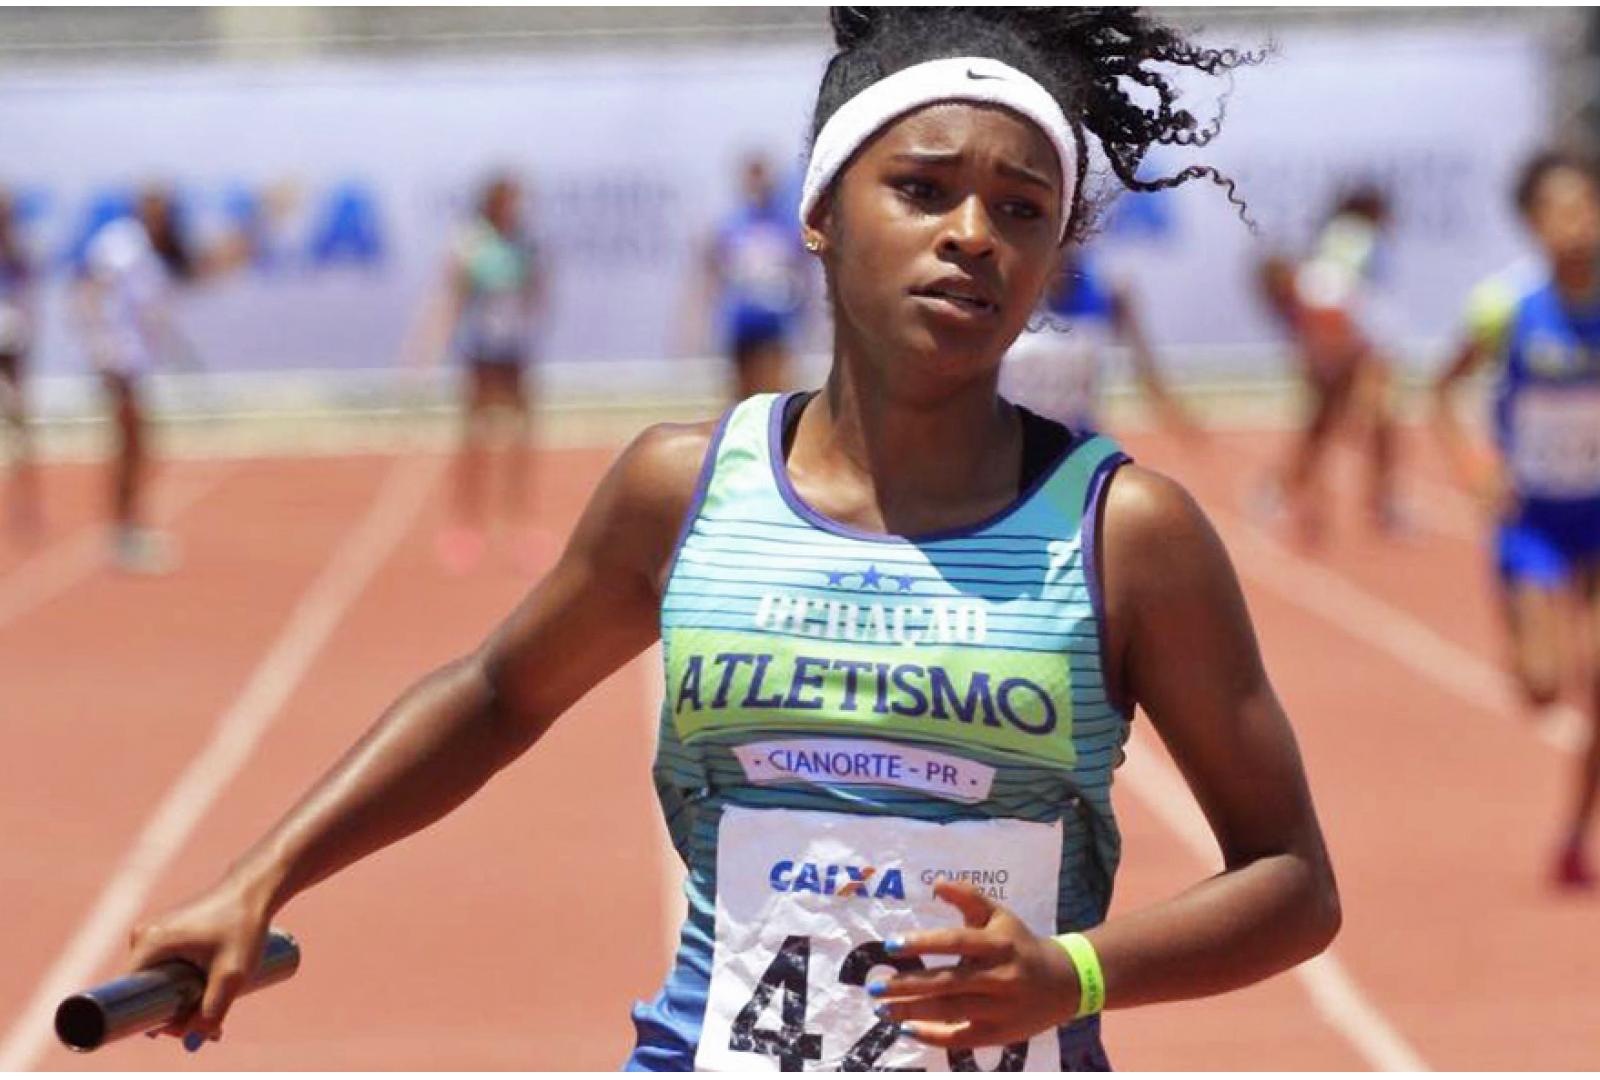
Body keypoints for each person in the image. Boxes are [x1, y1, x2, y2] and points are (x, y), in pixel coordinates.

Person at [127, 9, 1339, 1070]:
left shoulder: (1126, 534)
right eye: (921, 190)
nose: (973, 233)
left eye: (1021, 210)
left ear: (1047, 262)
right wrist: (260, 877)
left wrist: (1069, 975)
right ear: (819, 214)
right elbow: (496, 695)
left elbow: (1291, 881)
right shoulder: (683, 488)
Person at [1432, 149, 1600, 890]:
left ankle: (1574, 835)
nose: (1578, 225)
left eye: (1588, 207)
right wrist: (1474, 468)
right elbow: (1442, 389)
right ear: (1533, 224)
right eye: (1561, 211)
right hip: (1533, 522)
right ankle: (1515, 614)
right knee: (1541, 685)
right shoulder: (1506, 307)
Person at [75, 185, 265, 573]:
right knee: (133, 442)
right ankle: (124, 530)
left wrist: (251, 232)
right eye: (152, 207)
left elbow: (204, 270)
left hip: (139, 362)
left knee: (139, 446)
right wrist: (98, 342)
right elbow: (89, 291)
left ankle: (128, 527)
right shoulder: (122, 244)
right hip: (119, 361)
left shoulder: (163, 252)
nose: (158, 215)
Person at [411, 174, 551, 575]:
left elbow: (537, 291)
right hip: (480, 350)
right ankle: (467, 521)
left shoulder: (526, 243)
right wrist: (427, 349)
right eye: (509, 201)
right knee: (474, 437)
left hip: (515, 349)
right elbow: (452, 297)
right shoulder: (471, 243)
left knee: (522, 434)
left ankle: (519, 520)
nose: (516, 210)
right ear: (491, 203)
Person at [1255, 186, 1402, 546]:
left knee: (1373, 421)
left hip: (1359, 345)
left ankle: (1379, 501)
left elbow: (1360, 336)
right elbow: (1320, 346)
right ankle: (1293, 492)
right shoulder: (1307, 297)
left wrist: (1366, 380)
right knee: (1328, 426)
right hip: (1347, 348)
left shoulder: (1320, 288)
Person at [999, 246, 1205, 440]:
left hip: (1075, 442)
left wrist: (1176, 418)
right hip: (1010, 442)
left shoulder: (1105, 291)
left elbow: (1144, 368)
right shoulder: (1004, 291)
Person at [696, 154, 810, 402]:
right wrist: (705, 316)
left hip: (775, 319)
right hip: (741, 319)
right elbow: (713, 268)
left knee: (775, 391)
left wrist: (803, 311)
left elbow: (802, 269)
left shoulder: (786, 225)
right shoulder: (732, 225)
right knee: (741, 391)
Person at [0, 188, 40, 540]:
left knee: (18, 417)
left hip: (11, 341)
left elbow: (27, 293)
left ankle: (26, 501)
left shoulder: (16, 252)